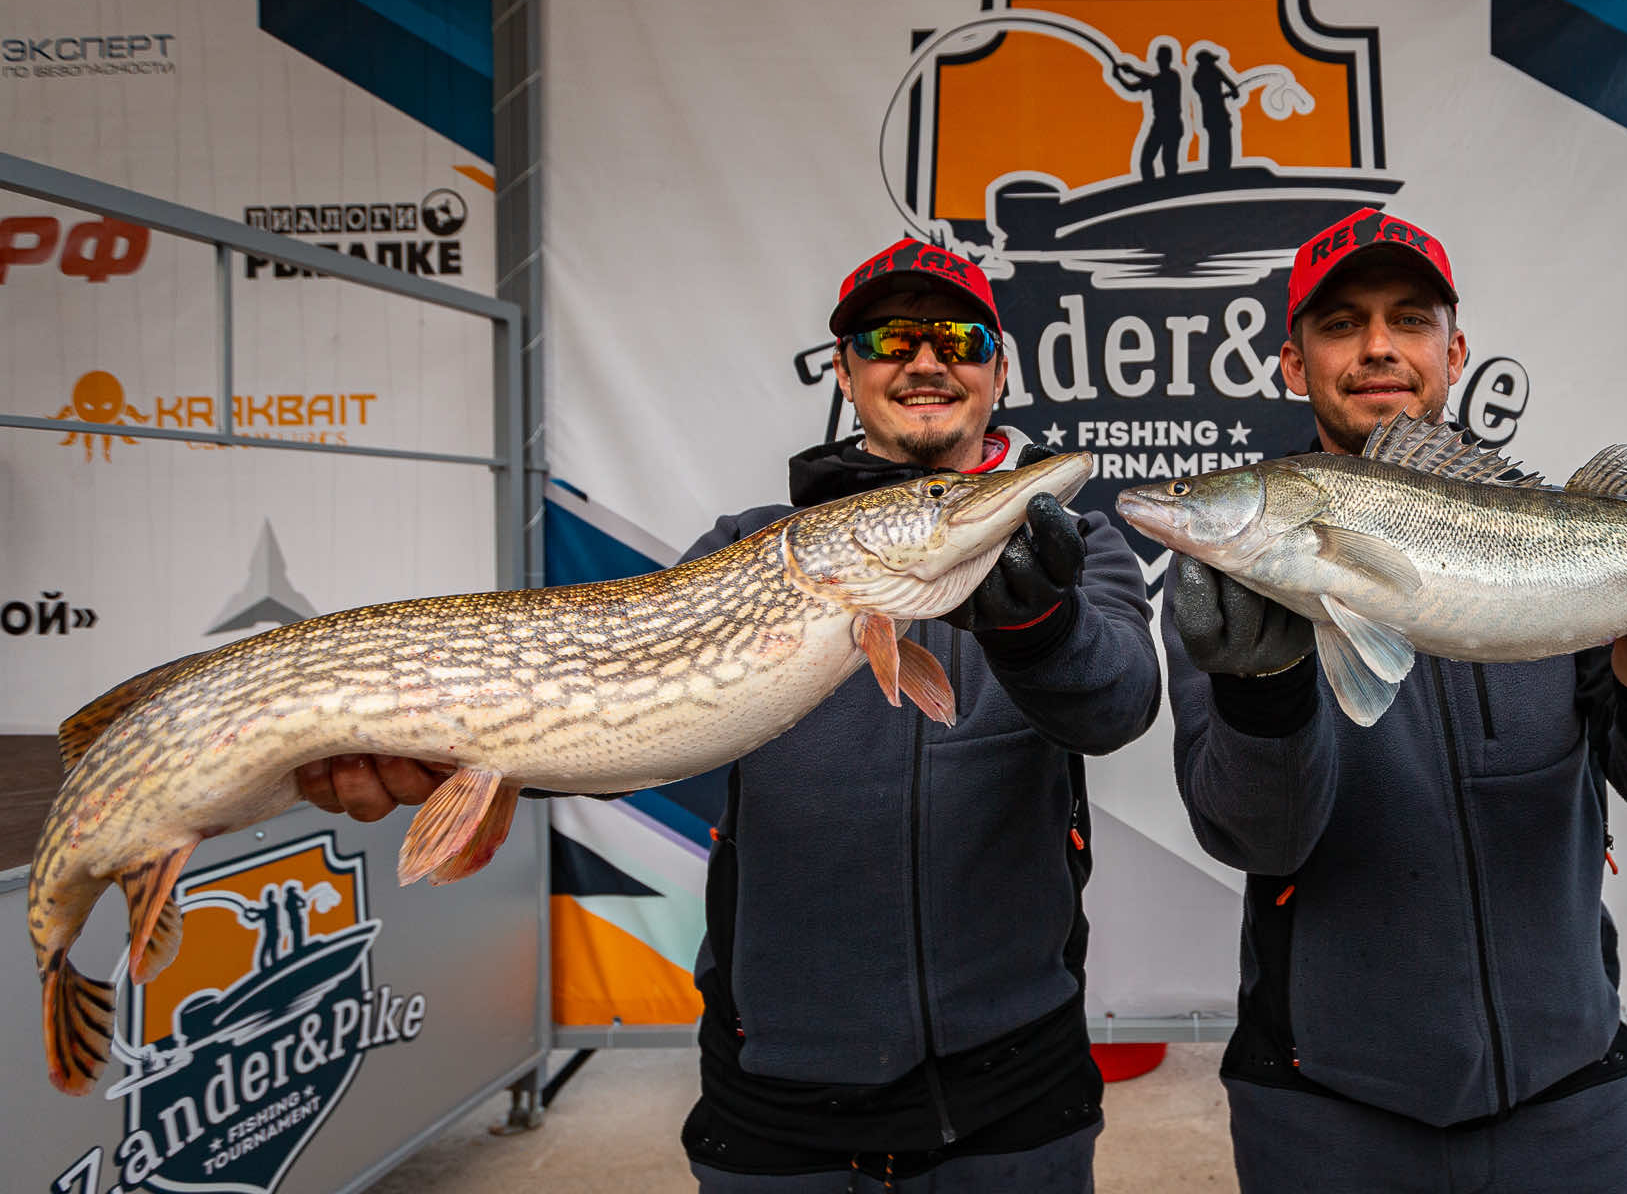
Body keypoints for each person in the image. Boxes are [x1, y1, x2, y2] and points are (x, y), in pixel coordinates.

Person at [297, 238, 1161, 1193]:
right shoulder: (744, 547)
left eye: (959, 338)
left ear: (998, 372)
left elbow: (1117, 706)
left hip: (1017, 1086)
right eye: (888, 340)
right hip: (777, 1091)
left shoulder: (1072, 547)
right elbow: (626, 723)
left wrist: (1040, 625)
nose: (925, 360)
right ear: (845, 374)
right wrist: (466, 755)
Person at [1161, 207, 1627, 1193]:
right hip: (1321, 1112)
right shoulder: (1230, 585)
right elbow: (1254, 835)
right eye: (1340, 324)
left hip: (1569, 1101)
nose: (1377, 347)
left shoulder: (1567, 540)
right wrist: (1264, 688)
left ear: (1453, 353)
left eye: (1409, 320)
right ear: (1291, 363)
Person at [1113, 44, 1186, 180]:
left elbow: (1152, 81)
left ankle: (1169, 189)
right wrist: (1122, 76)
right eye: (1160, 58)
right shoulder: (1161, 79)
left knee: (1168, 162)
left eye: (1162, 58)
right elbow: (1134, 87)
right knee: (1148, 160)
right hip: (1161, 124)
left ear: (1167, 59)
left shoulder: (1172, 77)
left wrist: (1130, 72)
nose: (1160, 61)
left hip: (1171, 124)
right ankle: (1153, 188)